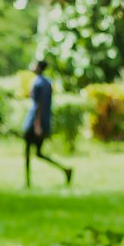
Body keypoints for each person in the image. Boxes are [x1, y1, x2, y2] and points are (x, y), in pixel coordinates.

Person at [23, 59, 73, 188]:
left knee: (29, 152)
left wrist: (37, 125)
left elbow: (39, 105)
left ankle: (27, 183)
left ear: (39, 67)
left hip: (34, 122)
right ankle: (65, 170)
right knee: (38, 153)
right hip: (44, 121)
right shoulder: (48, 83)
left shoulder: (38, 83)